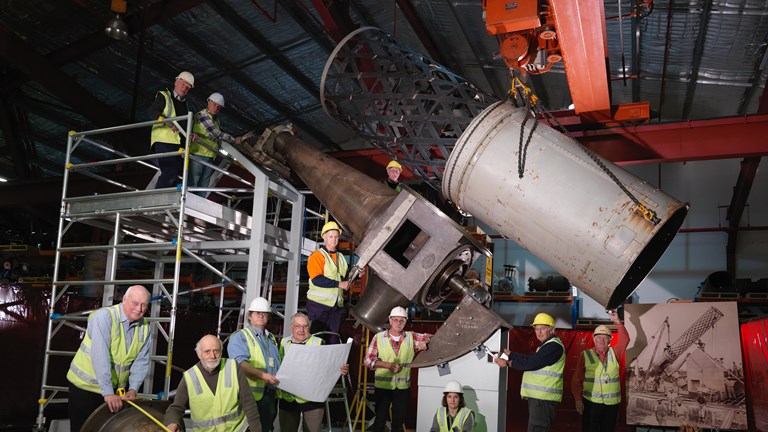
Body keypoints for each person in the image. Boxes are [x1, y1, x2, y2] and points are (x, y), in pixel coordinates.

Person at [66, 285, 152, 432]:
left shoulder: (144, 326)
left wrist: (133, 389)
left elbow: (141, 361)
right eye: (135, 303)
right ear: (124, 299)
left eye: (144, 304)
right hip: (85, 388)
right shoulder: (104, 317)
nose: (139, 308)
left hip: (113, 391)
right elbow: (101, 356)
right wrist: (108, 393)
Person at [164, 335, 261, 431]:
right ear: (199, 354)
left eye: (216, 351)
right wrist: (172, 423)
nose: (213, 356)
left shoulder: (233, 367)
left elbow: (249, 403)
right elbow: (176, 409)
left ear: (221, 352)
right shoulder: (190, 377)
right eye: (207, 352)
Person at [364, 306, 432, 432]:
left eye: (402, 320)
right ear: (390, 321)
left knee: (398, 425)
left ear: (405, 322)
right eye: (395, 320)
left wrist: (426, 342)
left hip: (402, 389)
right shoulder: (378, 337)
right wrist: (387, 365)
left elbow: (432, 337)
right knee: (379, 423)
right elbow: (368, 360)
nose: (398, 323)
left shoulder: (411, 337)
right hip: (383, 387)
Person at [278, 312, 349, 432]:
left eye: (305, 326)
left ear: (309, 327)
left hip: (312, 399)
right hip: (288, 398)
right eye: (297, 326)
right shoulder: (283, 343)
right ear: (291, 327)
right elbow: (278, 366)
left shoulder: (318, 342)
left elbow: (329, 366)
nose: (301, 330)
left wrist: (340, 369)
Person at [495, 312, 565, 432]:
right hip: (540, 399)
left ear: (552, 330)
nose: (539, 332)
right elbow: (530, 359)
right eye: (537, 329)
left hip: (543, 400)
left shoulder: (553, 346)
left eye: (543, 328)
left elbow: (530, 363)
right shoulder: (546, 346)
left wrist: (507, 363)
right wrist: (511, 354)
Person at [227, 297, 281, 431]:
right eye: (257, 312)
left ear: (268, 316)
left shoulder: (272, 339)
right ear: (249, 316)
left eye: (264, 313)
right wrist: (263, 375)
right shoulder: (240, 336)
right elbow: (239, 363)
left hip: (269, 396)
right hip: (248, 397)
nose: (261, 315)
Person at [571, 310, 629, 432]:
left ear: (610, 340)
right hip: (591, 404)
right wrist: (577, 399)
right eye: (598, 338)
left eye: (605, 338)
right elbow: (577, 380)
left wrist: (617, 321)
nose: (601, 340)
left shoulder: (615, 353)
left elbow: (625, 339)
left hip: (611, 405)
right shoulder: (585, 355)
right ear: (593, 339)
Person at [189, 92, 251, 196]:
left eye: (219, 107)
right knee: (193, 182)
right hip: (198, 153)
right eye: (214, 104)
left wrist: (241, 138)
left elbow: (218, 136)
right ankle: (187, 205)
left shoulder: (216, 121)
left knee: (203, 186)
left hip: (209, 155)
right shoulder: (202, 115)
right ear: (209, 102)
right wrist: (235, 140)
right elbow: (216, 133)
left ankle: (195, 207)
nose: (216, 108)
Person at [149, 71, 194, 189]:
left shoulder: (185, 105)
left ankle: (167, 196)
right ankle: (159, 198)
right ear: (176, 81)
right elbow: (152, 112)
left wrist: (191, 134)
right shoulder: (164, 96)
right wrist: (169, 123)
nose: (185, 89)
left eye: (188, 88)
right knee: (170, 169)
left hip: (177, 143)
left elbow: (184, 125)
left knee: (177, 171)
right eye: (184, 85)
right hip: (164, 140)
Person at [306, 221, 348, 344]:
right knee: (317, 340)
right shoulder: (317, 256)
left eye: (336, 237)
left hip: (335, 307)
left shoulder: (340, 257)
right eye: (330, 236)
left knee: (333, 339)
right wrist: (339, 284)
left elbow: (343, 277)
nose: (334, 239)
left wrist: (356, 276)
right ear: (324, 237)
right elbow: (317, 279)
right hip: (318, 306)